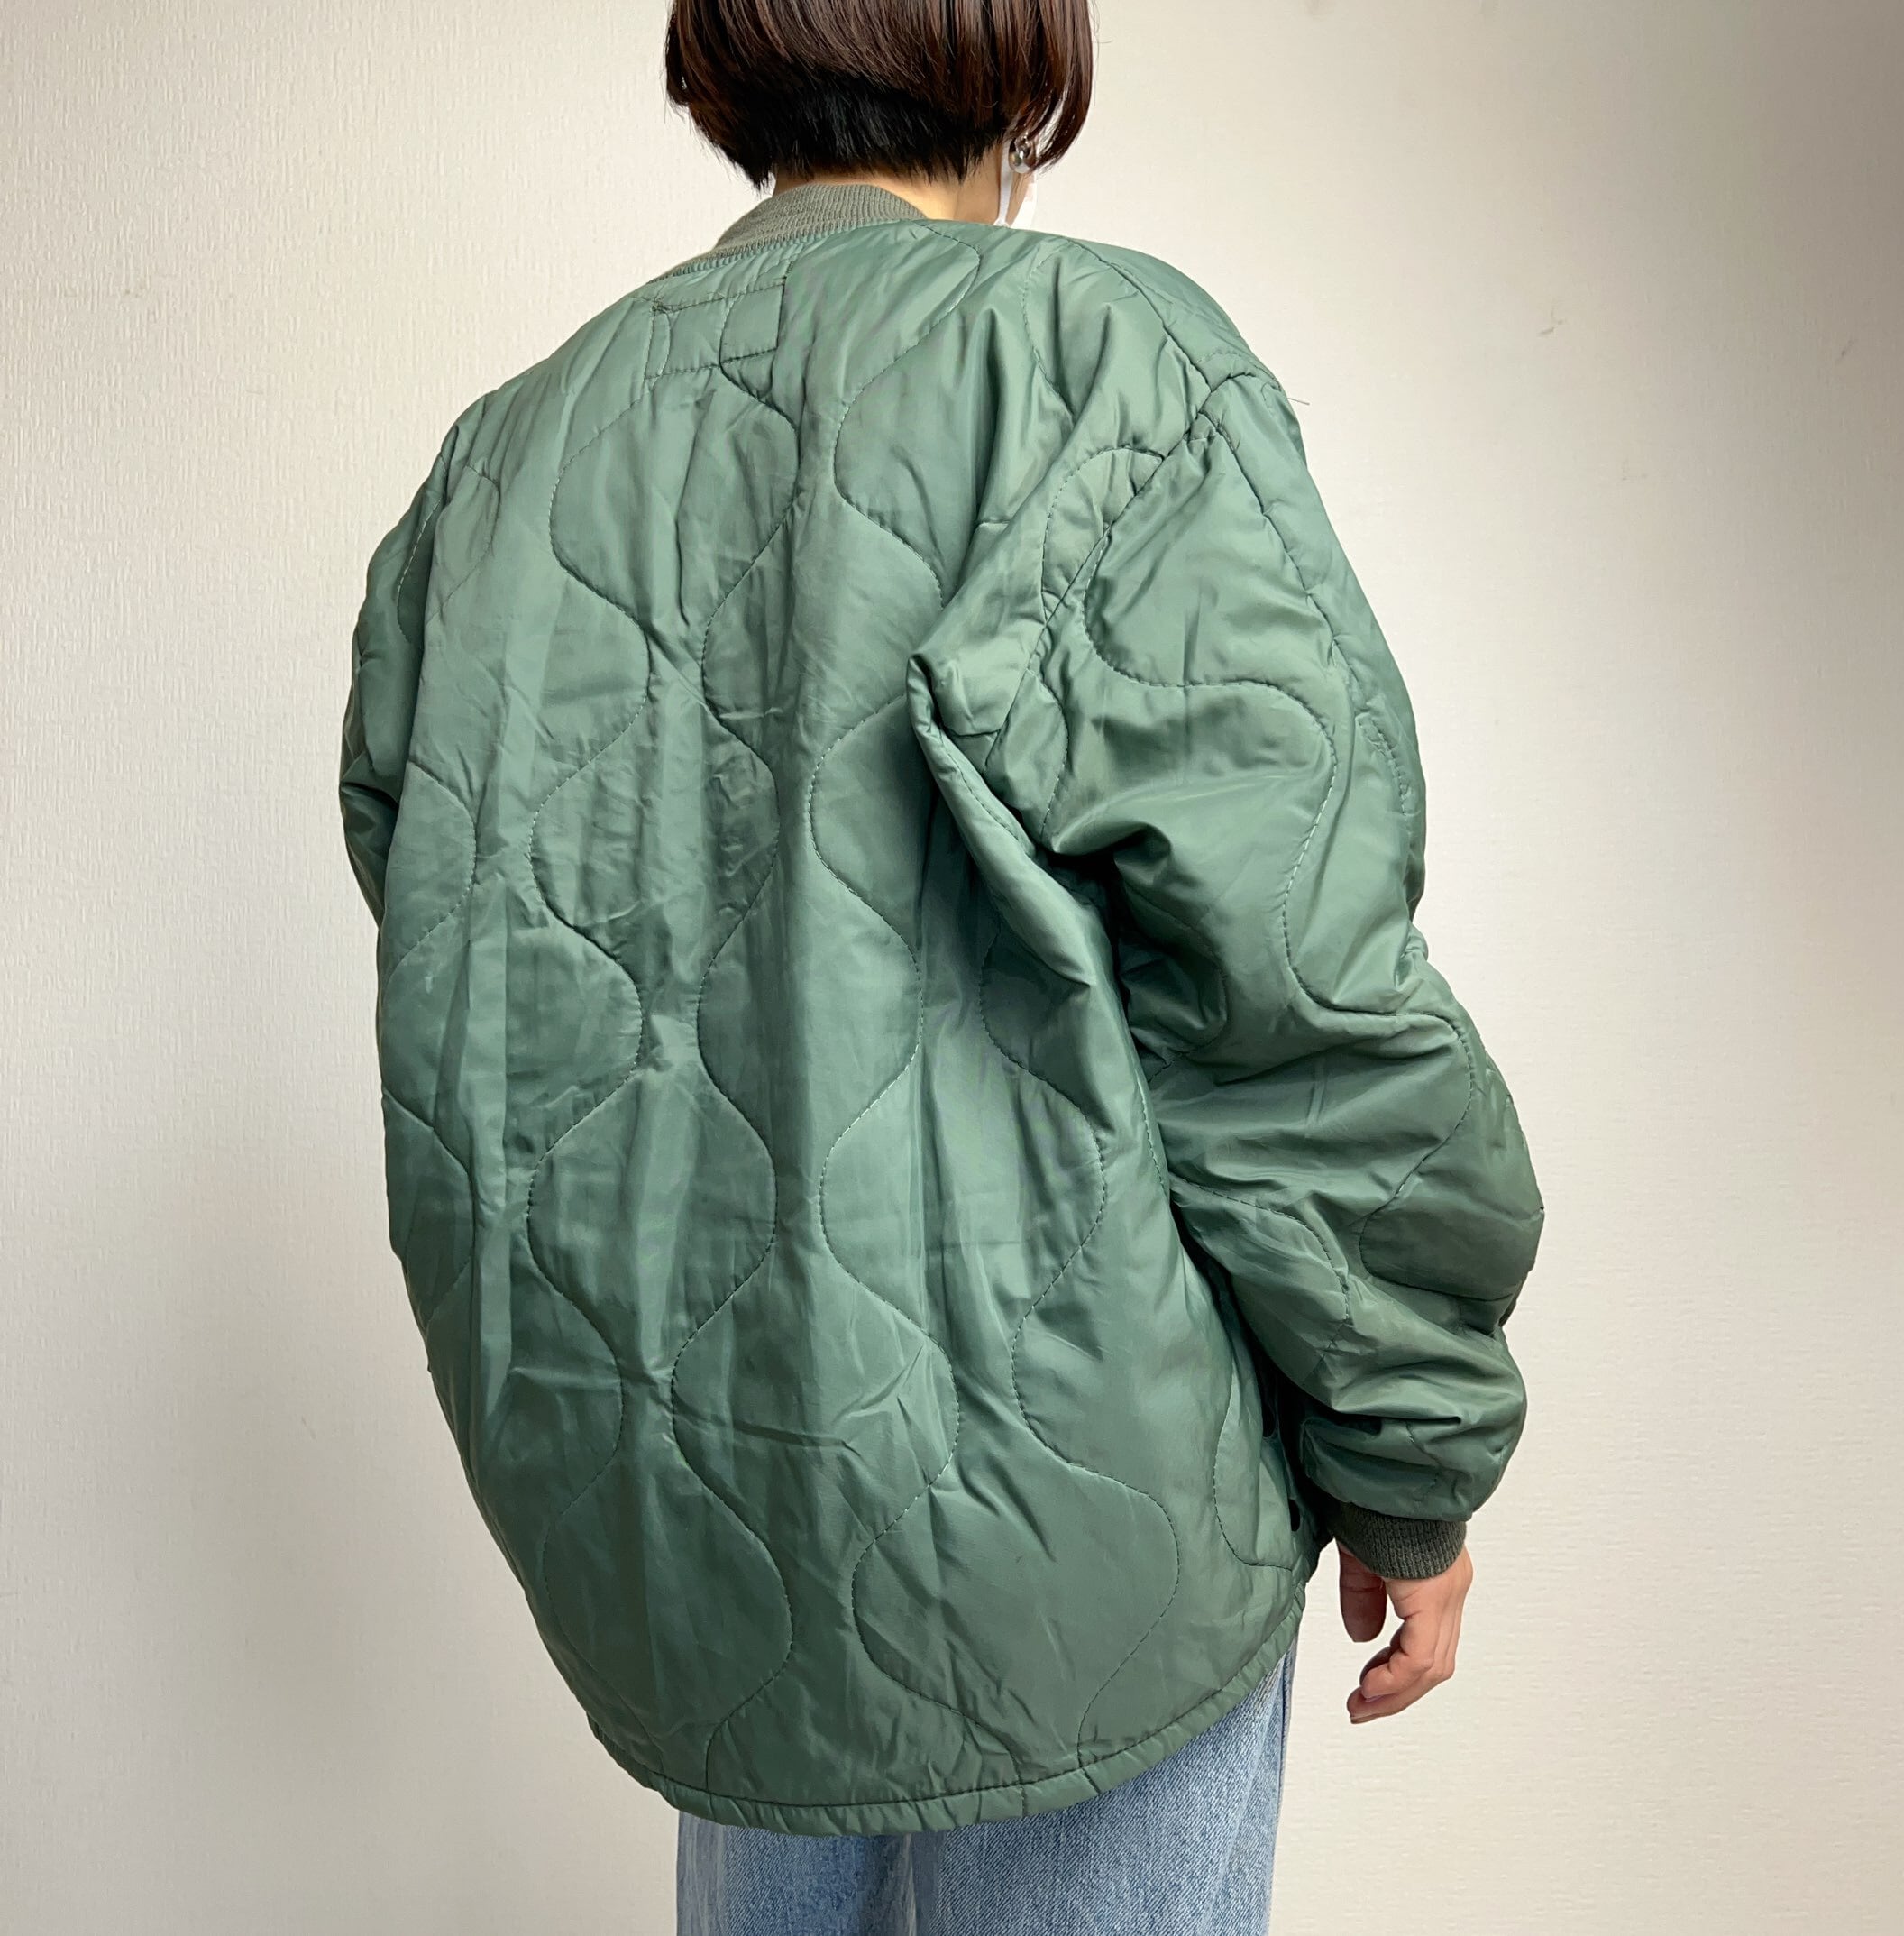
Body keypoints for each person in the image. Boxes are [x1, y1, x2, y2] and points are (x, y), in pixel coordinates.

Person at [337, 2, 1544, 1929]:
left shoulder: (506, 459)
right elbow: (1290, 981)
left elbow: (475, 979)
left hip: (703, 1538)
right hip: (1087, 1539)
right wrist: (1411, 1449)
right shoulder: (1094, 361)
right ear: (1014, 61)